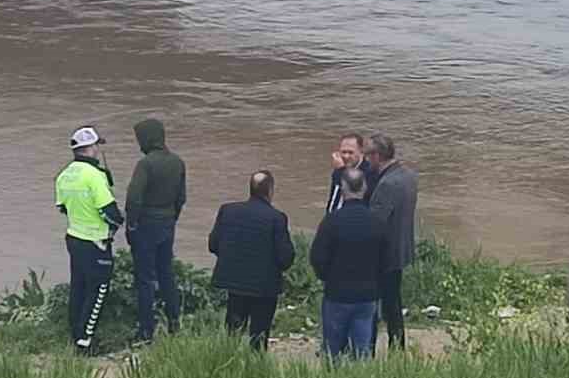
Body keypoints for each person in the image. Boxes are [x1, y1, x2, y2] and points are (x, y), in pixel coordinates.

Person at [55, 125, 124, 354]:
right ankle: (85, 343)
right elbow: (109, 212)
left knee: (79, 288)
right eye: (97, 145)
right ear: (91, 148)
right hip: (96, 242)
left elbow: (63, 208)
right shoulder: (95, 176)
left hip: (74, 238)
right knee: (98, 291)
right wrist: (117, 223)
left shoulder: (64, 175)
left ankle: (75, 334)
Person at [207, 171, 295, 350]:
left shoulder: (228, 211)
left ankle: (227, 364)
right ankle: (256, 367)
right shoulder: (276, 218)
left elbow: (214, 245)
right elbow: (285, 258)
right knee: (259, 334)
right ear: (270, 191)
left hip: (235, 283)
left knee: (232, 331)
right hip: (265, 288)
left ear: (251, 189)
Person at [310, 166, 389, 358]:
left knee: (333, 350)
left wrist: (327, 277)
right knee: (362, 350)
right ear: (365, 189)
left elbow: (317, 257)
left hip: (337, 293)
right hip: (367, 295)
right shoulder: (377, 222)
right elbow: (386, 259)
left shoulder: (331, 221)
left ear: (343, 189)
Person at [125, 118, 187, 343]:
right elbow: (182, 198)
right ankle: (174, 323)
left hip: (145, 225)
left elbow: (134, 198)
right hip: (167, 223)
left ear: (147, 139)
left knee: (145, 278)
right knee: (166, 273)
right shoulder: (178, 162)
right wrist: (172, 219)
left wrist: (131, 225)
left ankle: (146, 331)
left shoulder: (146, 164)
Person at [365, 132, 418, 352]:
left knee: (378, 304)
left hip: (384, 254)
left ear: (377, 156)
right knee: (393, 302)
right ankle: (398, 347)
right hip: (401, 247)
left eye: (368, 155)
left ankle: (368, 348)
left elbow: (374, 224)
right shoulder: (408, 175)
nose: (366, 160)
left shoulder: (387, 184)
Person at [327, 132, 376, 212]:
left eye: (350, 152)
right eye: (343, 152)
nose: (346, 156)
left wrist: (341, 171)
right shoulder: (338, 168)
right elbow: (334, 197)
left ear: (361, 152)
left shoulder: (369, 172)